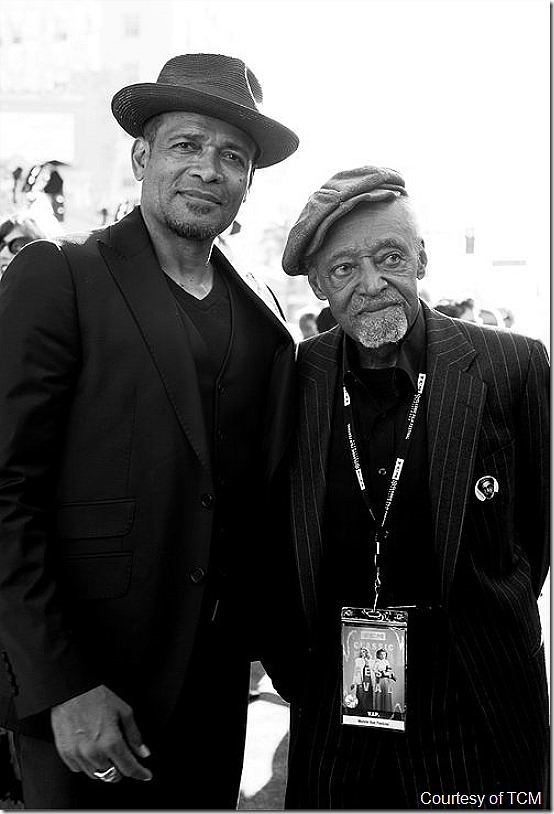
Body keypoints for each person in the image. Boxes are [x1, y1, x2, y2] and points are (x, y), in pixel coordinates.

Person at [0, 52, 299, 809]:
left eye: (233, 156)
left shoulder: (266, 320)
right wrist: (60, 685)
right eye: (187, 145)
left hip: (212, 700)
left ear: (250, 182)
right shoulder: (58, 278)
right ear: (142, 157)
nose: (209, 169)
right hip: (90, 703)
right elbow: (5, 494)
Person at [278, 166, 549, 808]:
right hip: (340, 688)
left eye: (390, 257)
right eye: (344, 269)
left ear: (422, 258)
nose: (372, 284)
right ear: (319, 285)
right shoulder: (298, 377)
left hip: (474, 685)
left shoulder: (513, 364)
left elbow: (535, 537)